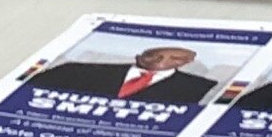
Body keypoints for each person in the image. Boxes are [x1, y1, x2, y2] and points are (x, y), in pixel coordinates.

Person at [28, 45, 216, 104]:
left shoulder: (202, 87)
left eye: (174, 58)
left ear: (188, 63)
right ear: (138, 56)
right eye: (153, 54)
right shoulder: (75, 70)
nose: (159, 60)